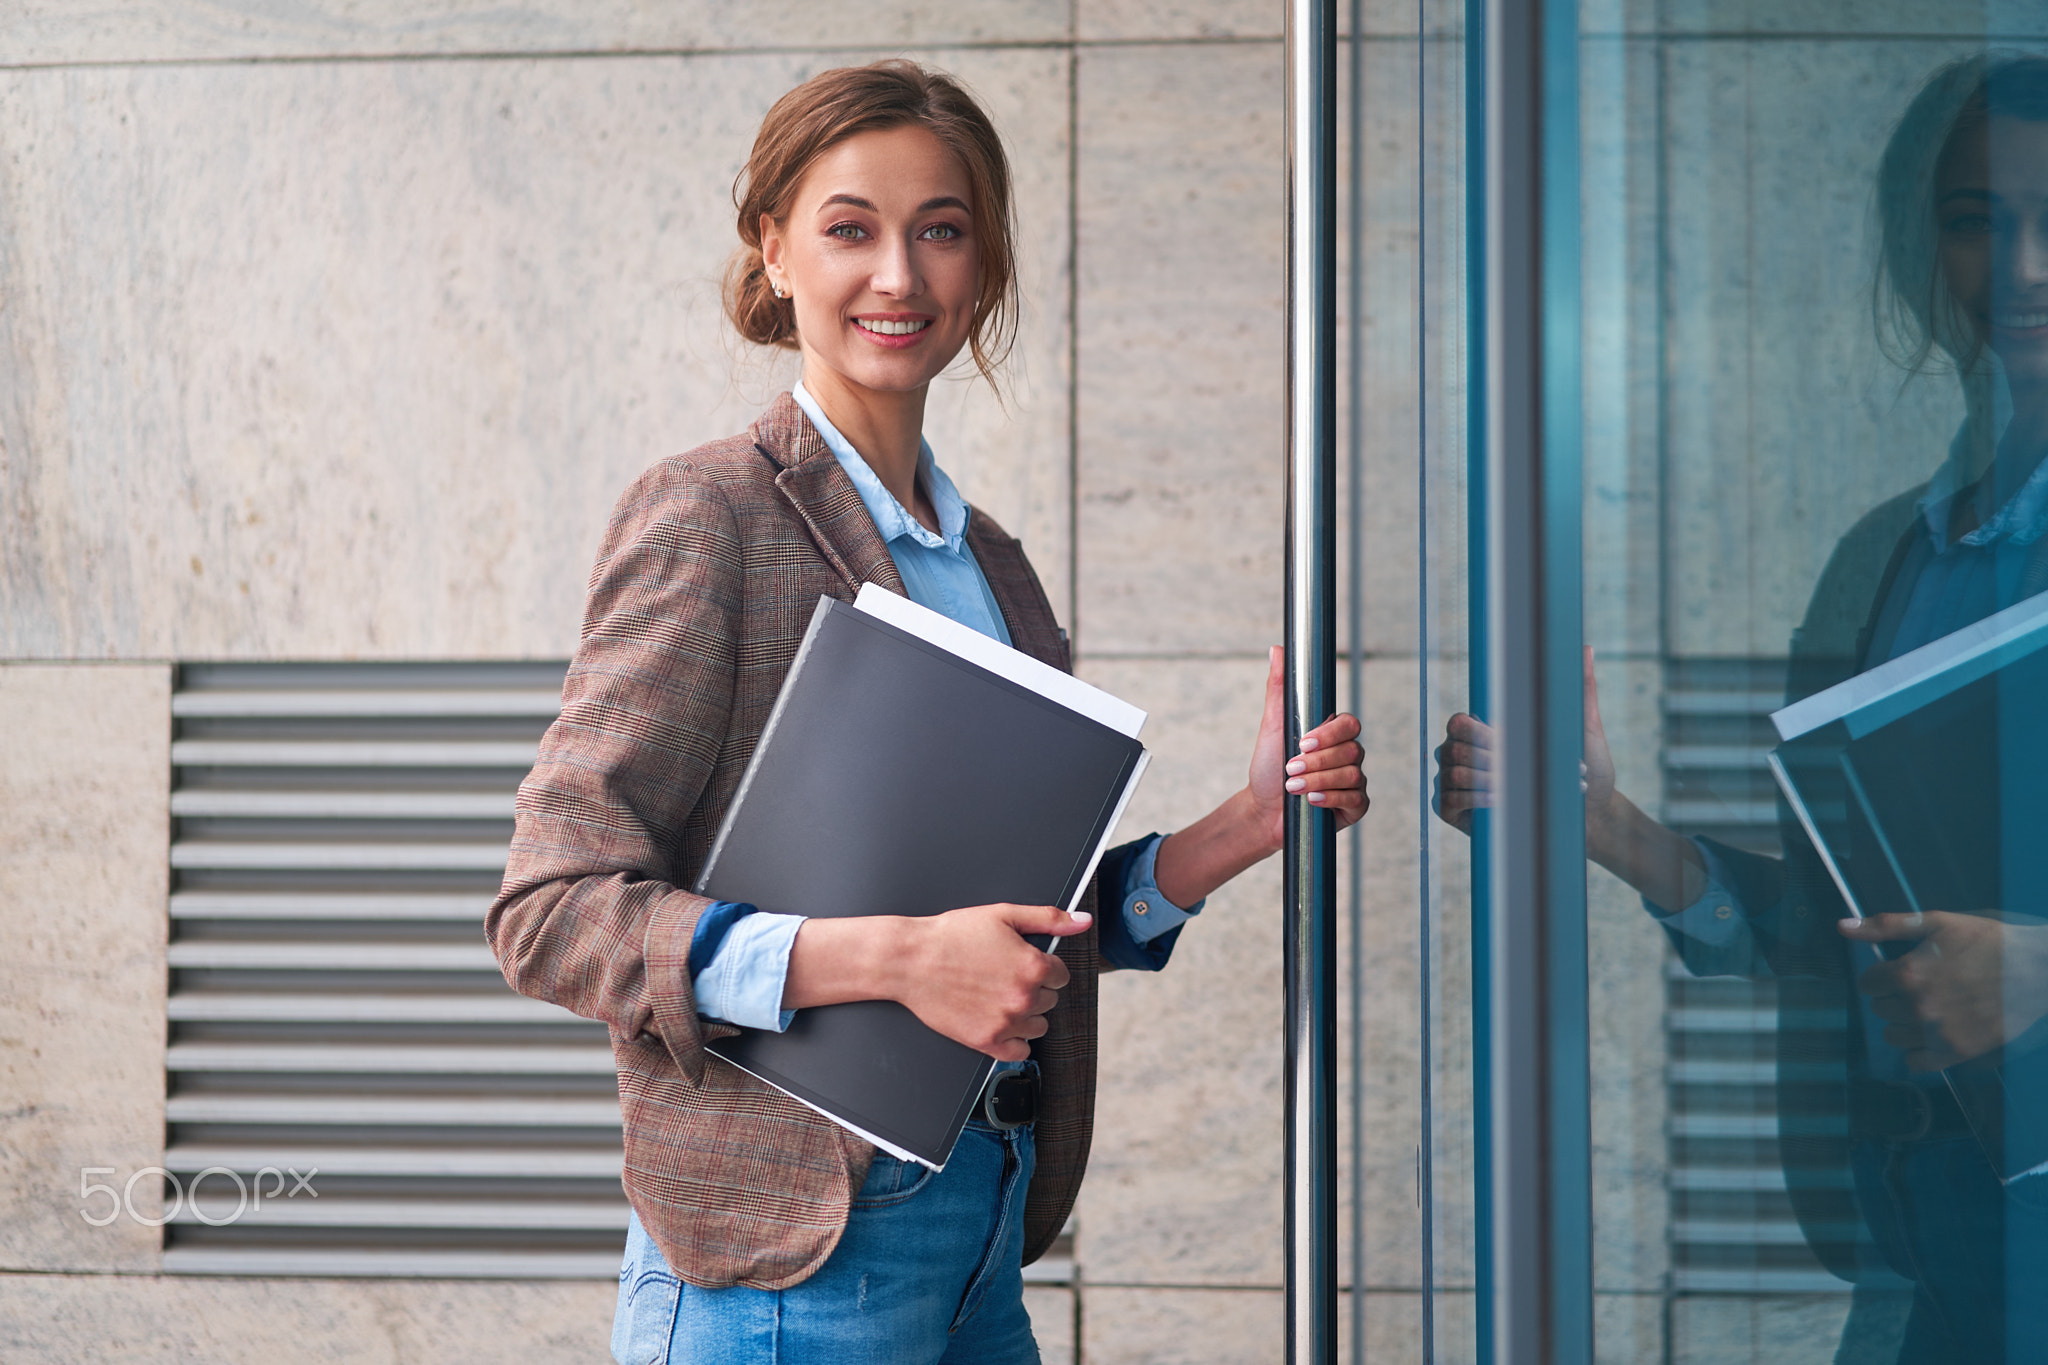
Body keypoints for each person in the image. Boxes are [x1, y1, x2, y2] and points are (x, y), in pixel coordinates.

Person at [485, 59, 1369, 1365]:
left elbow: (1012, 934)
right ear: (774, 248)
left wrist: (1247, 822)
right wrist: (896, 961)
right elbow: (550, 913)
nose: (898, 274)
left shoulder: (993, 566)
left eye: (940, 230)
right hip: (790, 1258)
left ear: (984, 265)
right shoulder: (712, 514)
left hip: (982, 1229)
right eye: (851, 228)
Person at [1435, 52, 2048, 1363]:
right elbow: (1858, 917)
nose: (2028, 267)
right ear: (1917, 254)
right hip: (1922, 1238)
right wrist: (1620, 833)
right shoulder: (1897, 559)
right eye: (1975, 220)